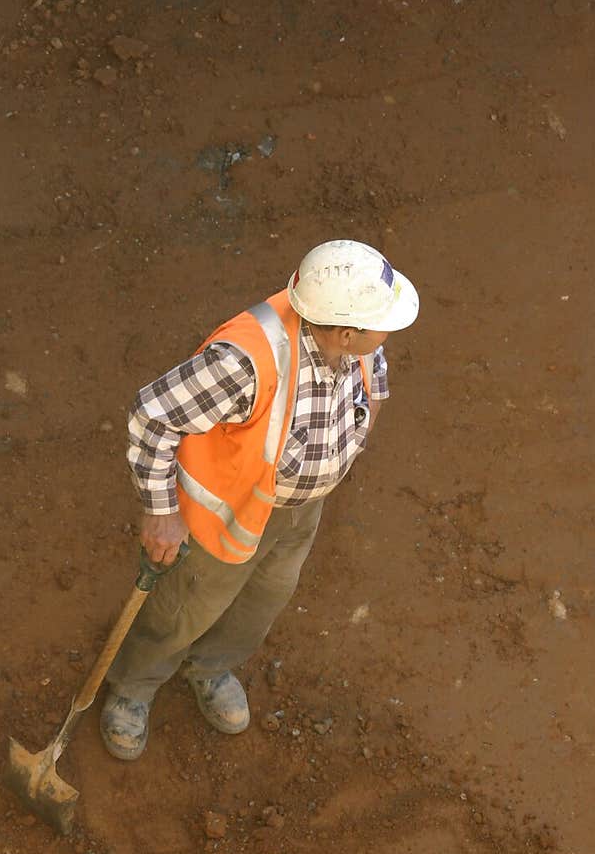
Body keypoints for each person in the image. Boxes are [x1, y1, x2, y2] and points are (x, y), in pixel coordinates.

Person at [101, 238, 420, 760]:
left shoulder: (358, 336)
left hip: (298, 512)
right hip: (225, 517)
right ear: (345, 330)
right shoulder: (247, 361)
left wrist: (339, 455)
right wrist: (161, 513)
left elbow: (373, 386)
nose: (390, 332)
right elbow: (153, 415)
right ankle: (134, 689)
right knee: (185, 607)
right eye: (383, 324)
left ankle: (210, 668)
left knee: (262, 599)